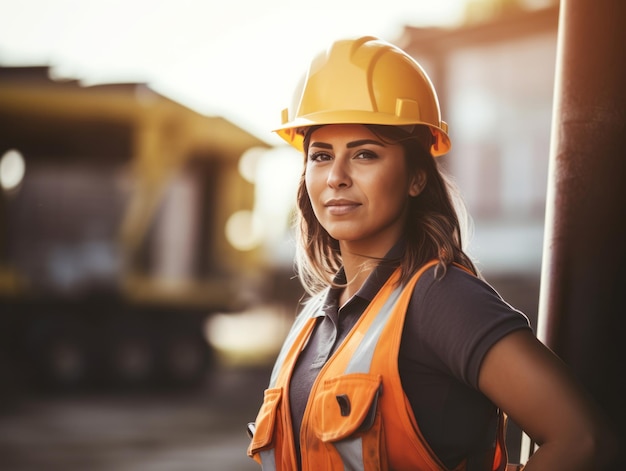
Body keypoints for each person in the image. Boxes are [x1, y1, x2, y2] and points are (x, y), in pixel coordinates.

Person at [246, 36, 616, 470]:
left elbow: (582, 439)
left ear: (416, 178)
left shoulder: (441, 299)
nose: (337, 177)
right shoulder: (313, 320)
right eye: (321, 156)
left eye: (365, 154)